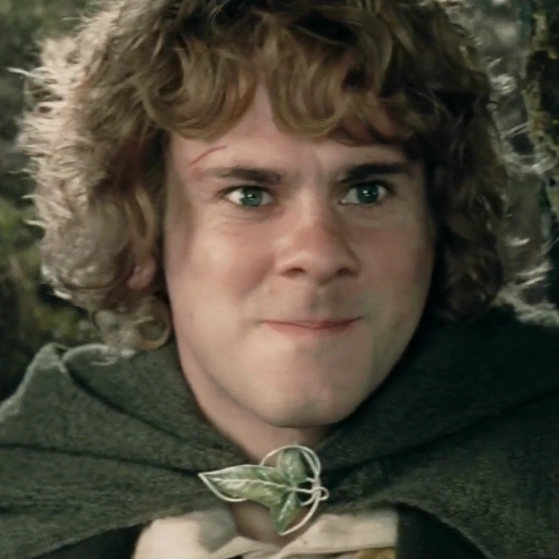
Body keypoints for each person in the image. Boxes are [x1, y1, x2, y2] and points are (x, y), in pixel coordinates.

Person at [1, 0, 559, 558]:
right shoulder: (26, 475)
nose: (318, 253)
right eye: (249, 195)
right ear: (144, 230)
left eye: (367, 191)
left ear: (437, 218)